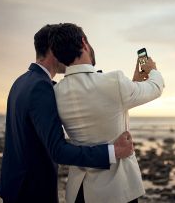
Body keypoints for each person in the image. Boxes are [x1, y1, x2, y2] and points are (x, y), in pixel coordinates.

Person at [0, 25, 134, 203]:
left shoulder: (21, 81)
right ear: (54, 50)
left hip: (13, 186)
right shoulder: (41, 88)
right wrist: (112, 152)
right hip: (32, 191)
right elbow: (58, 150)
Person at [50, 23, 165, 203]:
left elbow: (113, 107)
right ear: (84, 43)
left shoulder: (56, 92)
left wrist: (134, 81)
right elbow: (156, 88)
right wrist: (152, 70)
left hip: (79, 191)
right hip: (117, 191)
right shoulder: (113, 81)